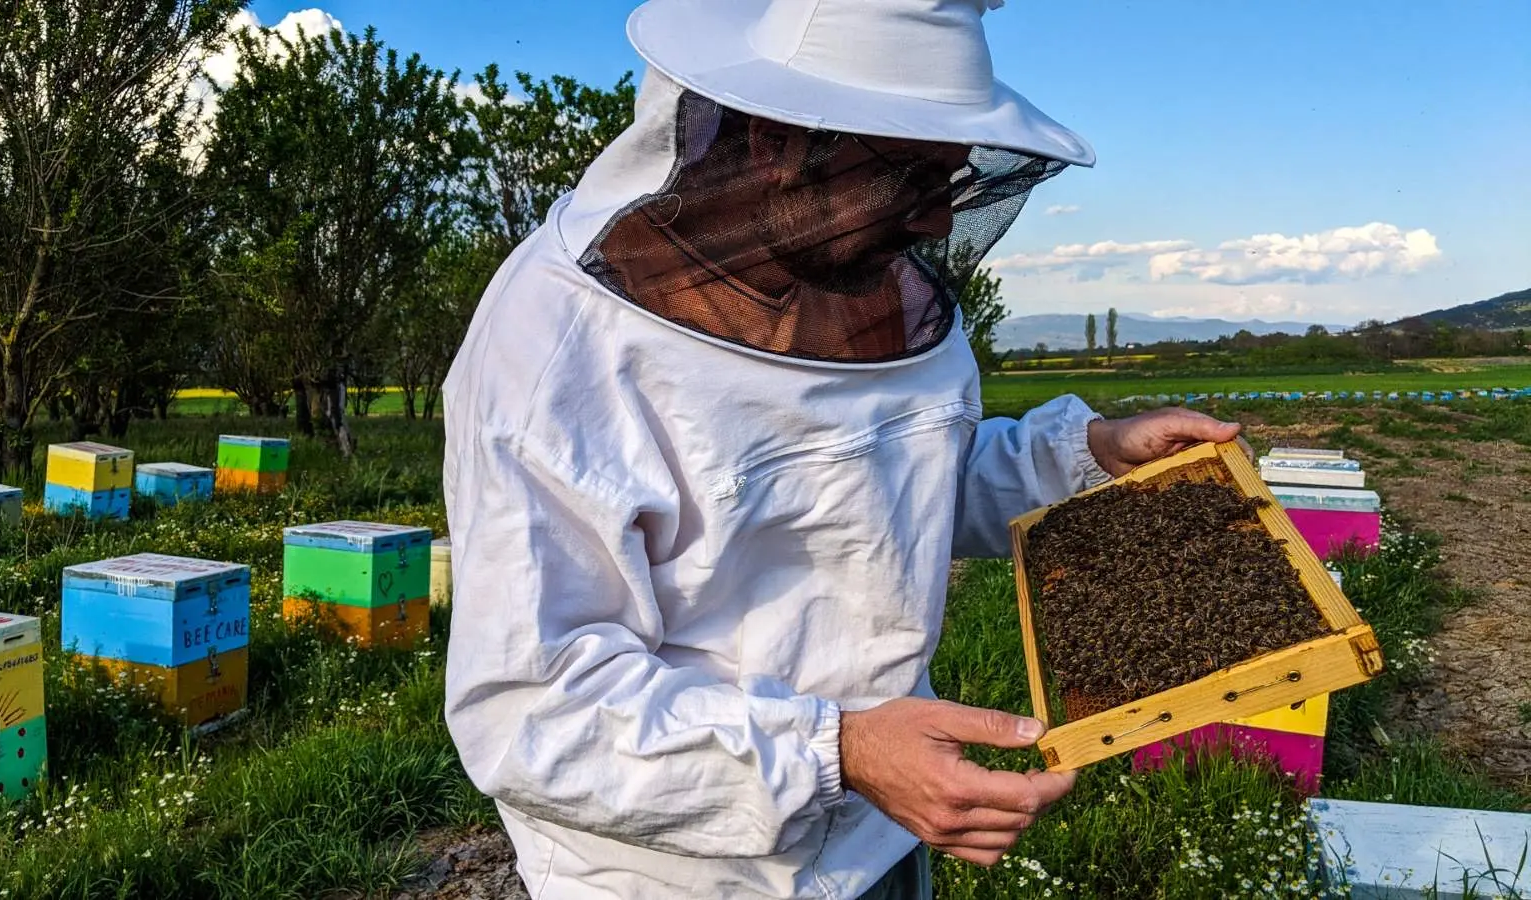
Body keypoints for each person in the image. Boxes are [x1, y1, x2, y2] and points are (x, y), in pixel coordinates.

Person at [440, 1, 1242, 896]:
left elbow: (900, 484)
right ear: (782, 145)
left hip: (888, 834)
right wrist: (840, 752)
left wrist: (1083, 454)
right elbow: (531, 708)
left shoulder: (879, 296)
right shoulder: (556, 356)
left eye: (948, 176)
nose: (937, 219)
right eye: (908, 175)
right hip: (683, 873)